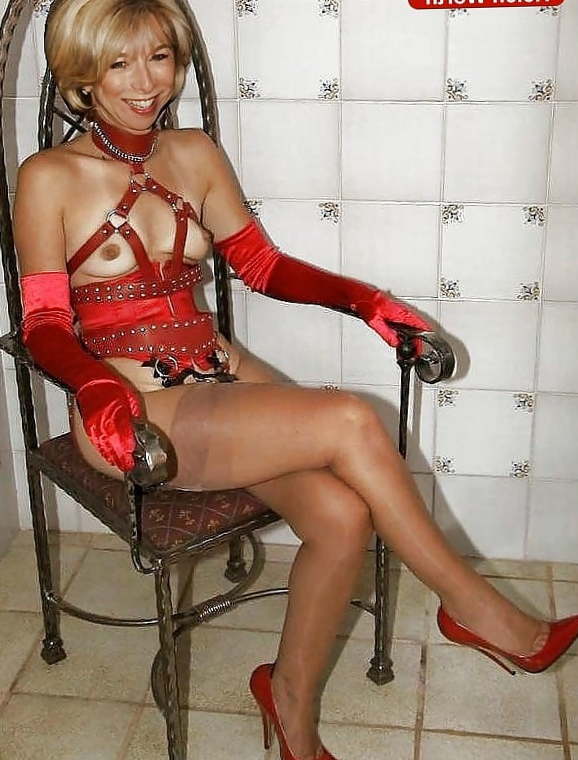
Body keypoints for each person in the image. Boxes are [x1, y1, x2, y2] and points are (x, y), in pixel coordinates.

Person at [13, 0, 578, 758]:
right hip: (135, 415)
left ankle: (289, 710)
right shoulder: (48, 176)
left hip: (220, 382)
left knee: (342, 516)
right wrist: (95, 389)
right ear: (83, 75)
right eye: (119, 64)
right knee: (351, 419)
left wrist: (365, 301)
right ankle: (476, 610)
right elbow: (44, 324)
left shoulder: (195, 153)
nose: (146, 82)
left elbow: (262, 265)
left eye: (160, 57)